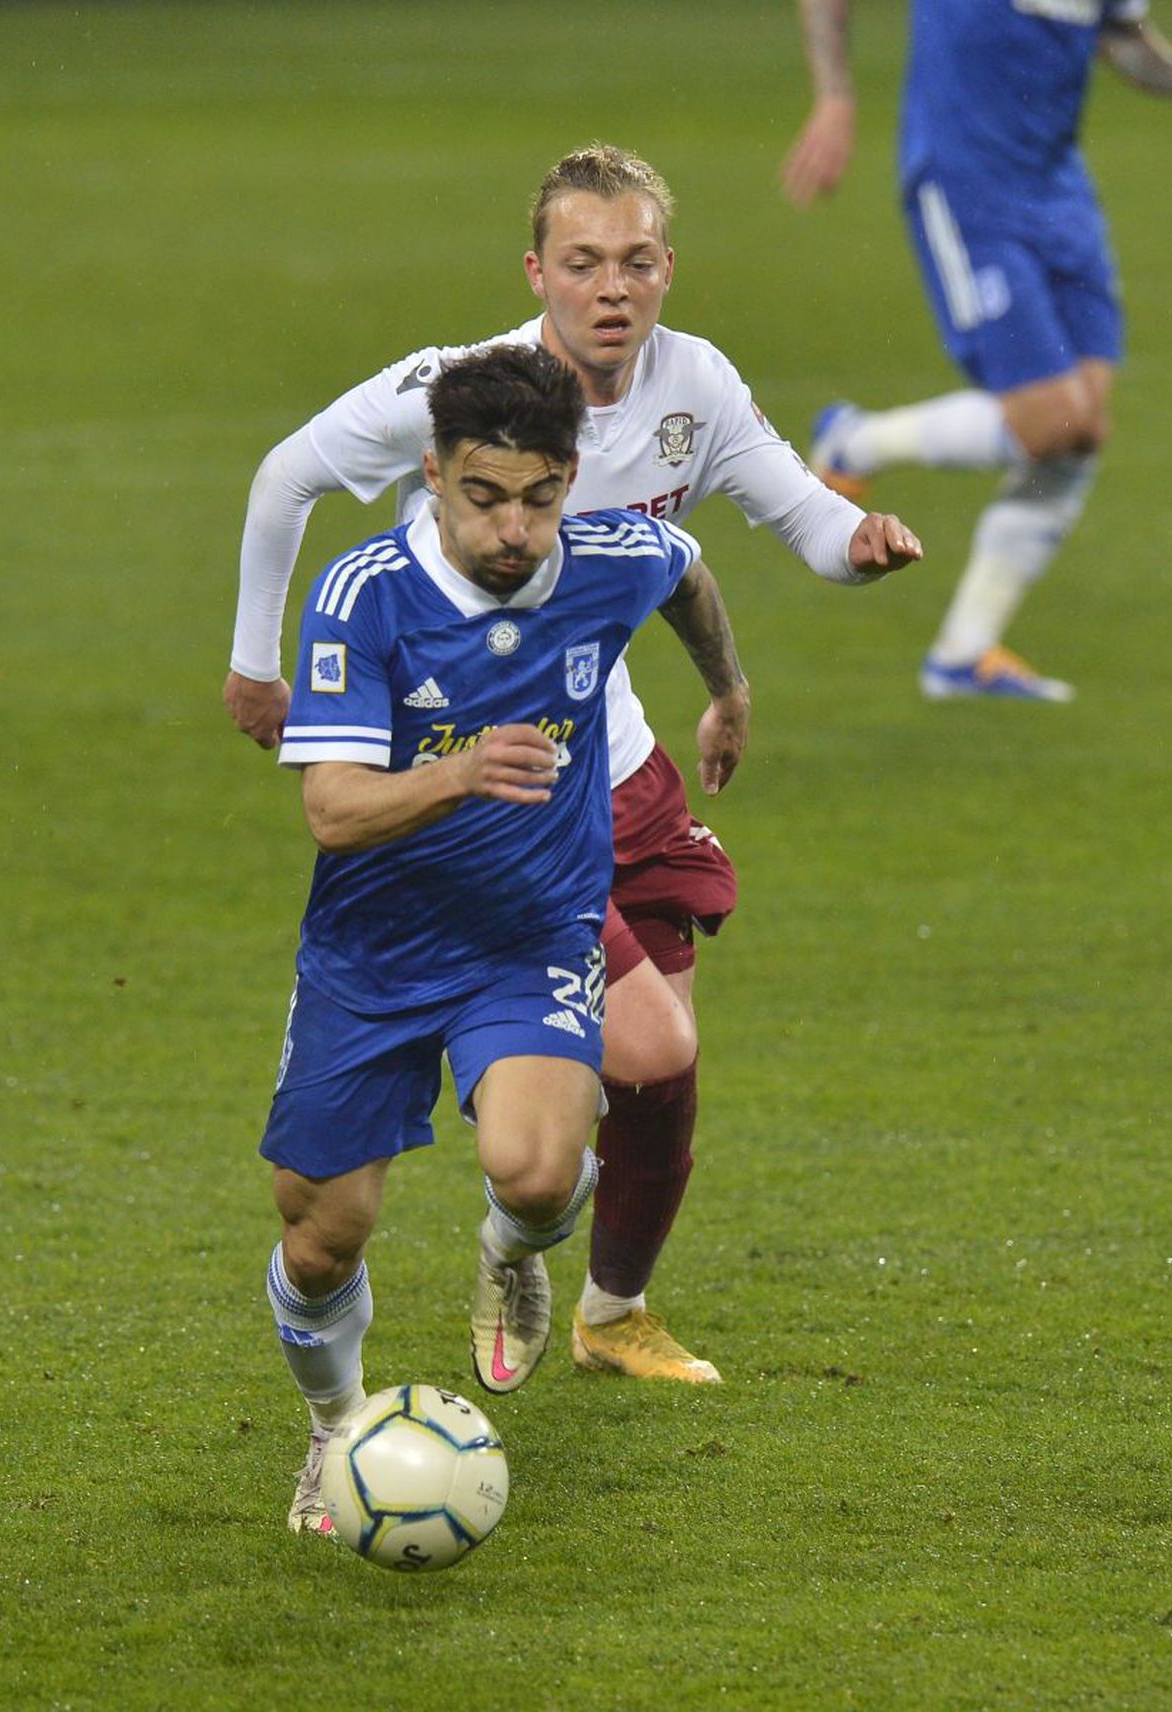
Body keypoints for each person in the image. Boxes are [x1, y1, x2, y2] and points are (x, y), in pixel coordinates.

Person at [229, 143, 924, 1389]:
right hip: (476, 779)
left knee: (664, 1064)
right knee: (621, 1058)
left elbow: (769, 524)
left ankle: (604, 1297)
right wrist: (254, 666)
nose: (614, 287)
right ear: (538, 271)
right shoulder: (456, 393)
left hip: (614, 756)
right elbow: (289, 475)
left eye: (639, 261)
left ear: (668, 270)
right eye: (586, 262)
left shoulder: (691, 385)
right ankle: (508, 1234)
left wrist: (844, 553)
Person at [264, 342, 749, 1533]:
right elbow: (331, 810)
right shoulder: (364, 594)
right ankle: (337, 1434)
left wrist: (728, 688)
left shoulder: (607, 560)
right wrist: (465, 772)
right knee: (323, 1237)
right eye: (484, 497)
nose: (514, 528)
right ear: (432, 475)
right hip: (371, 956)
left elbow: (683, 569)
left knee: (537, 1174)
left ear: (568, 480)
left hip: (530, 934)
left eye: (540, 497)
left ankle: (513, 1250)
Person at [782, 0, 1172, 702]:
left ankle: (962, 656)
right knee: (1049, 418)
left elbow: (1124, 38)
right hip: (967, 184)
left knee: (1081, 429)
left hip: (1060, 193)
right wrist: (836, 96)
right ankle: (857, 441)